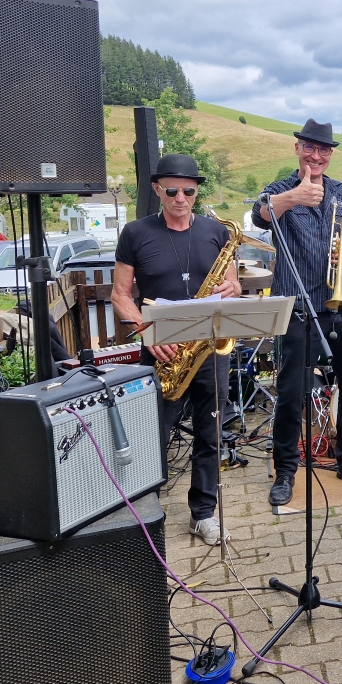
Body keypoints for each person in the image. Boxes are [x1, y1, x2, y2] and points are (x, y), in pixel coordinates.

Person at [112, 154, 242, 547]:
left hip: (210, 350)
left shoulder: (216, 232)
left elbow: (233, 285)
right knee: (151, 436)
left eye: (189, 190)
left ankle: (203, 514)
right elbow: (120, 296)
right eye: (172, 191)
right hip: (162, 352)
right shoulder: (136, 233)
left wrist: (232, 288)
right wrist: (148, 331)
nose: (181, 198)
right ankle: (142, 516)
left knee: (210, 435)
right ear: (157, 190)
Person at [251, 118, 342, 506]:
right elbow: (259, 215)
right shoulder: (279, 190)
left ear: (330, 155)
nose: (317, 155)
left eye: (323, 149)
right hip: (297, 306)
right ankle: (285, 470)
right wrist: (296, 197)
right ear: (297, 149)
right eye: (309, 147)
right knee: (292, 392)